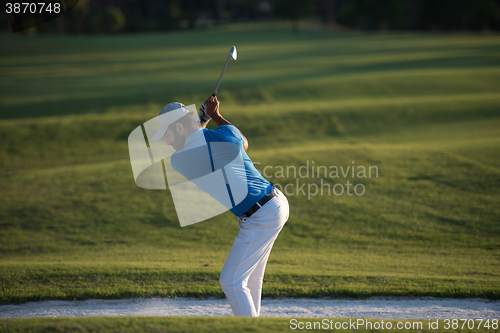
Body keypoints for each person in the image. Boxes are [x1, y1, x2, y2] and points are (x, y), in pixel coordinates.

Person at [151, 95, 289, 317]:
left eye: (167, 135)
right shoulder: (224, 135)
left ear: (178, 127)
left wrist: (203, 121)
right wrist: (215, 116)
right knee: (250, 280)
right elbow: (243, 142)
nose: (167, 142)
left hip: (261, 215)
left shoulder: (179, 159)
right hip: (273, 204)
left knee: (231, 281)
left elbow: (198, 142)